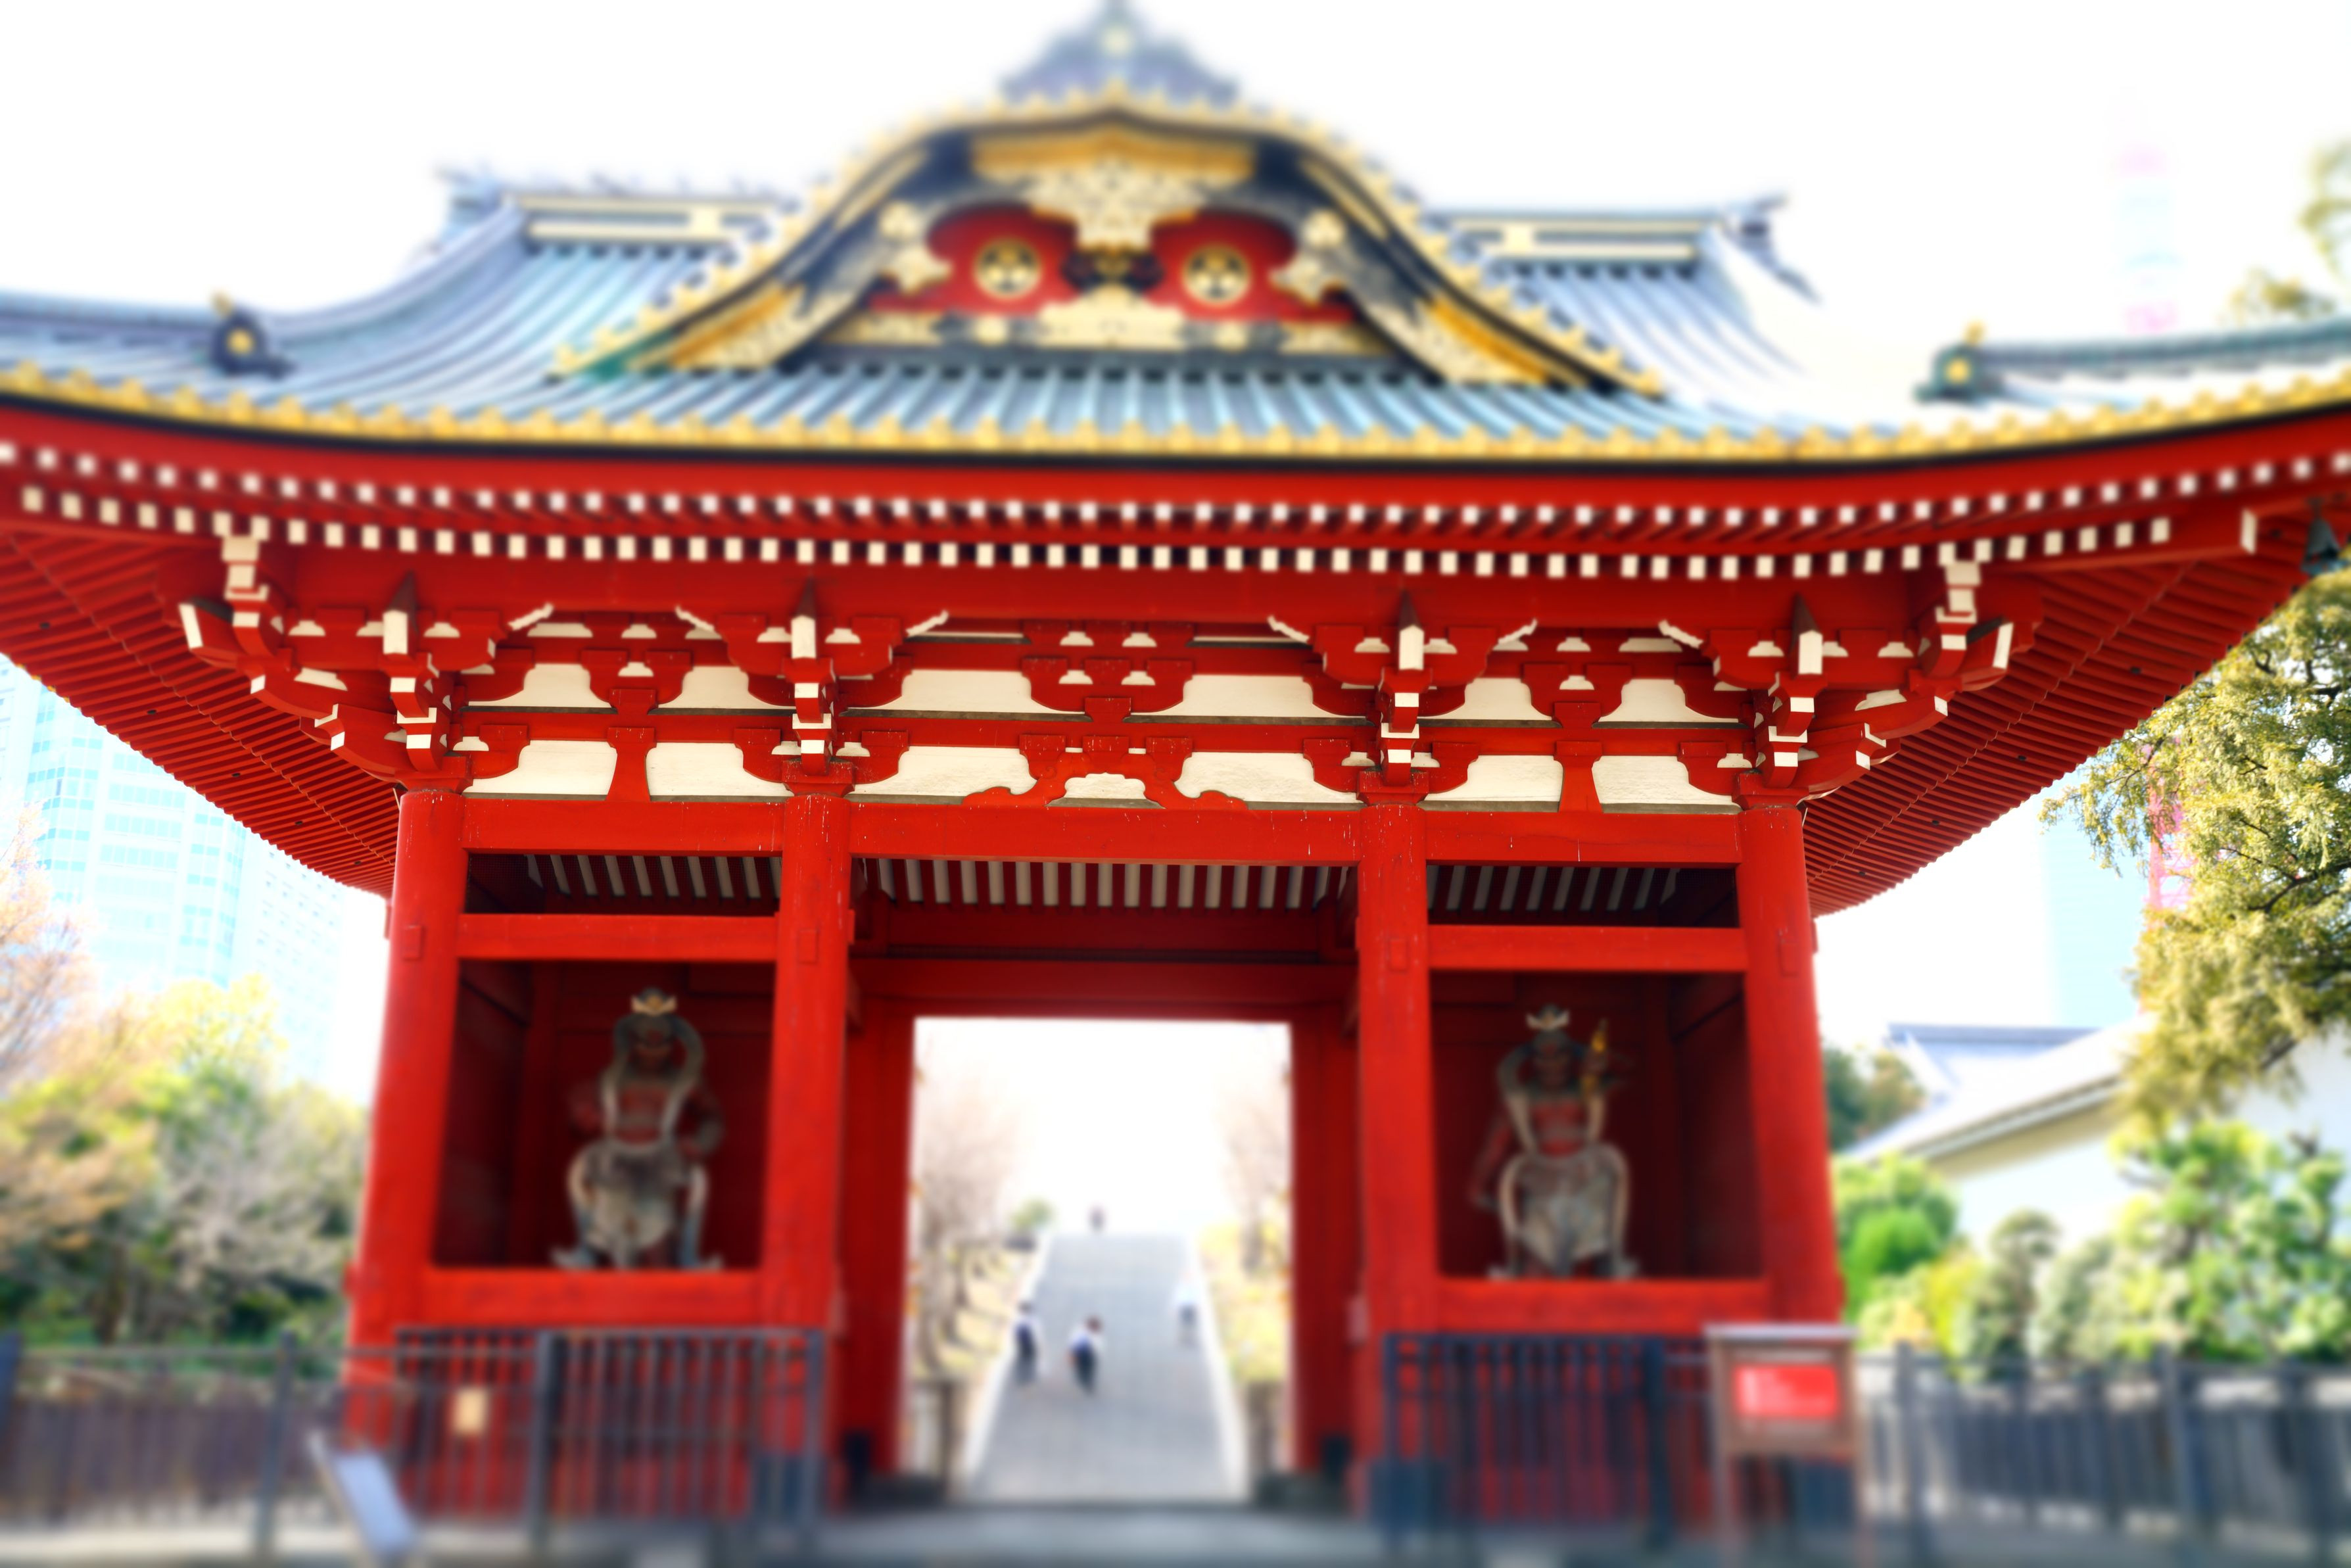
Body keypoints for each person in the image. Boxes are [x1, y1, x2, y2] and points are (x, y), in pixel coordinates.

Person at [1068, 1316, 1103, 1394]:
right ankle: (1085, 1386)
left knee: (1089, 1373)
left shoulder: (1093, 1334)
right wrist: (1072, 1356)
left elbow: (1097, 1346)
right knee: (1082, 1373)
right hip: (1081, 1356)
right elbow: (1074, 1346)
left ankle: (1088, 1387)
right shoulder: (1080, 1333)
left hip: (1090, 1356)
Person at [1012, 1301, 1040, 1385]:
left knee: (1022, 1360)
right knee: (1031, 1361)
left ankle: (1022, 1380)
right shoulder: (1032, 1321)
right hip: (1030, 1344)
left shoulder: (1017, 1320)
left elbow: (1014, 1334)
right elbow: (1036, 1334)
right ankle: (1029, 1380)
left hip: (1021, 1345)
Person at [1172, 1281, 1199, 1347]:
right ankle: (1183, 1339)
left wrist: (1197, 1308)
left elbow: (1196, 1299)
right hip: (1184, 1308)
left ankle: (1190, 1339)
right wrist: (1175, 1309)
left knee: (1191, 1324)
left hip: (1191, 1308)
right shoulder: (1181, 1288)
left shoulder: (1193, 1288)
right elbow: (1178, 1299)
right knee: (1184, 1324)